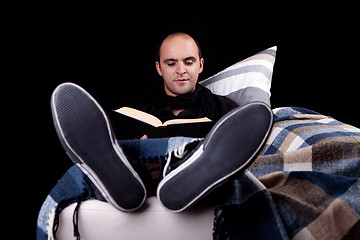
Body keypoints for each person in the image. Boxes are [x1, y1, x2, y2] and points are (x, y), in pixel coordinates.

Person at [51, 32, 273, 213]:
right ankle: (125, 180)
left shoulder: (225, 108)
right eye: (171, 63)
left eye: (189, 62)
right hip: (141, 171)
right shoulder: (133, 108)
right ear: (159, 68)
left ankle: (190, 175)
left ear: (201, 65)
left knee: (212, 156)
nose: (181, 70)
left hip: (195, 167)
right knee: (120, 152)